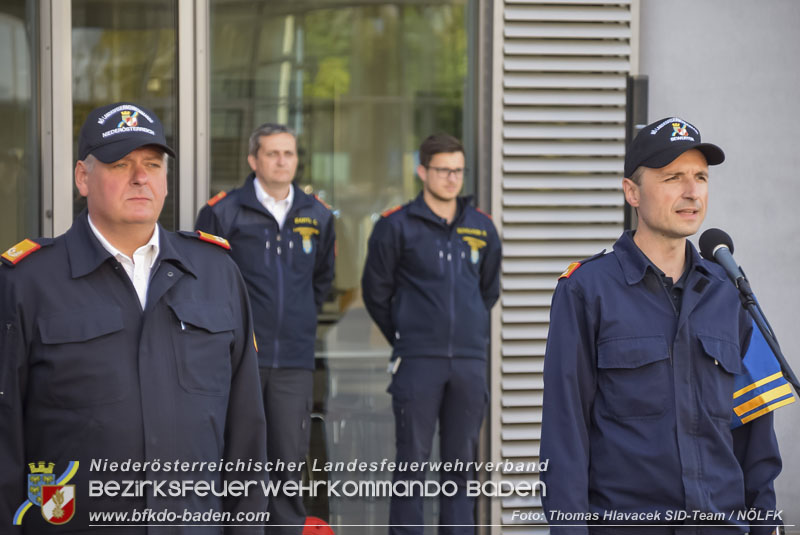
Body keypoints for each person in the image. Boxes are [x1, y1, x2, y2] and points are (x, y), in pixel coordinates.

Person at [0, 102, 267, 534]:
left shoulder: (217, 273)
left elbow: (247, 434)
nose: (141, 177)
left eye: (153, 164)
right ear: (83, 178)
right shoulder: (28, 282)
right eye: (121, 163)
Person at [540, 117, 783, 534]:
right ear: (632, 191)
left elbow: (756, 439)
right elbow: (565, 439)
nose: (692, 192)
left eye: (700, 177)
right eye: (673, 177)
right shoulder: (586, 290)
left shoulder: (732, 292)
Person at [195, 123, 335, 533]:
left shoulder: (318, 215)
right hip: (238, 359)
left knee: (288, 463)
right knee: (238, 458)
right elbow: (205, 280)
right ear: (253, 160)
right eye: (272, 154)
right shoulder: (222, 211)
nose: (281, 161)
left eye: (288, 154)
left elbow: (321, 280)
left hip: (293, 358)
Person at [361, 133, 501, 534]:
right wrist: (409, 334)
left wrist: (466, 327)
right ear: (422, 171)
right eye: (443, 170)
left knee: (462, 467)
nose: (452, 178)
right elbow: (376, 293)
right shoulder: (395, 226)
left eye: (458, 170)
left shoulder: (482, 228)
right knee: (412, 464)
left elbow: (487, 290)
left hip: (470, 363)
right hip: (418, 360)